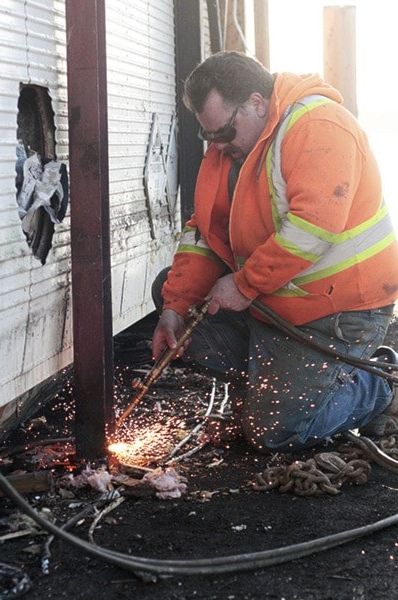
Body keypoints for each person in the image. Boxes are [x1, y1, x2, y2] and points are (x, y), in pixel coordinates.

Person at [152, 51, 398, 454]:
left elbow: (311, 231)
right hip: (275, 305)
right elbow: (204, 233)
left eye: (225, 132)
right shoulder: (231, 148)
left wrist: (245, 285)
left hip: (339, 313)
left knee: (275, 433)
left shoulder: (319, 126)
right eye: (209, 136)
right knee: (170, 290)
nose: (218, 145)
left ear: (256, 102)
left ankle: (379, 381)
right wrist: (175, 307)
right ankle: (273, 387)